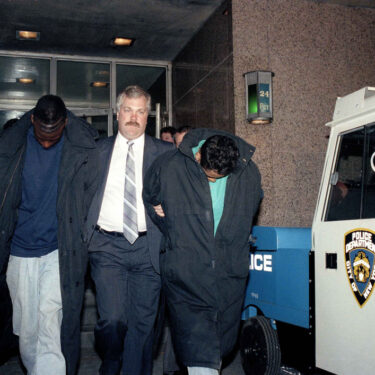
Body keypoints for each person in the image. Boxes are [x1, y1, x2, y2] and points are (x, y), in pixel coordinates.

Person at [143, 129, 262, 375]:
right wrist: (170, 224)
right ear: (198, 158)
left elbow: (252, 205)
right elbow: (150, 195)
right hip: (187, 272)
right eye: (210, 177)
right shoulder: (169, 166)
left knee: (217, 348)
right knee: (200, 353)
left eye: (220, 178)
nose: (213, 182)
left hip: (228, 274)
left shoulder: (248, 172)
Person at [0, 95, 99, 375]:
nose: (46, 142)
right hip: (19, 252)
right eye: (42, 135)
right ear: (32, 120)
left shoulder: (81, 149)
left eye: (53, 136)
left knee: (50, 322)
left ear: (65, 124)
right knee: (27, 330)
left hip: (60, 250)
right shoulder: (11, 147)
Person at [84, 85, 173, 375]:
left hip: (149, 250)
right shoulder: (96, 151)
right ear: (117, 113)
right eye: (128, 110)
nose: (133, 117)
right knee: (112, 319)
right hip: (107, 247)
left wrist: (169, 209)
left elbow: (185, 197)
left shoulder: (167, 154)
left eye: (140, 111)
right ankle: (111, 361)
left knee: (143, 327)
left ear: (148, 116)